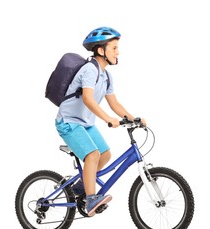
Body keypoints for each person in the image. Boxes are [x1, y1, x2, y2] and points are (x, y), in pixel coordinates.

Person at [55, 26, 145, 217]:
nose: (118, 52)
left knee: (104, 154)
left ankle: (80, 187)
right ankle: (90, 199)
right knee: (93, 155)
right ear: (101, 50)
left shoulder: (106, 76)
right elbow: (88, 99)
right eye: (114, 48)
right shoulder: (90, 69)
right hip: (69, 122)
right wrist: (107, 120)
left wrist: (133, 118)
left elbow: (114, 103)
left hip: (85, 123)